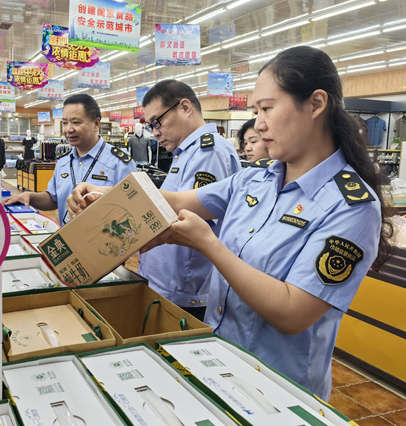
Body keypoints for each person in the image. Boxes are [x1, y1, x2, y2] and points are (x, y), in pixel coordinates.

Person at [66, 46, 392, 401]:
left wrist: (208, 244)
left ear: (315, 104)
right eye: (256, 111)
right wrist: (101, 193)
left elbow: (292, 313)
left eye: (267, 108)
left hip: (278, 390)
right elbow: (177, 200)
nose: (259, 124)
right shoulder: (256, 178)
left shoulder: (351, 207)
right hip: (218, 362)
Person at [137, 80, 240, 319]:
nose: (155, 132)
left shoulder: (209, 152)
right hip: (166, 285)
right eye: (151, 126)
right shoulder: (186, 152)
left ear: (185, 107)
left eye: (157, 122)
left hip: (184, 293)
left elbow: (188, 215)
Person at [3, 94, 136, 224]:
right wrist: (30, 197)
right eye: (65, 123)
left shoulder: (120, 163)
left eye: (76, 122)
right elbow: (53, 198)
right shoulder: (63, 162)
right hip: (66, 237)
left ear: (96, 124)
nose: (68, 129)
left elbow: (134, 206)